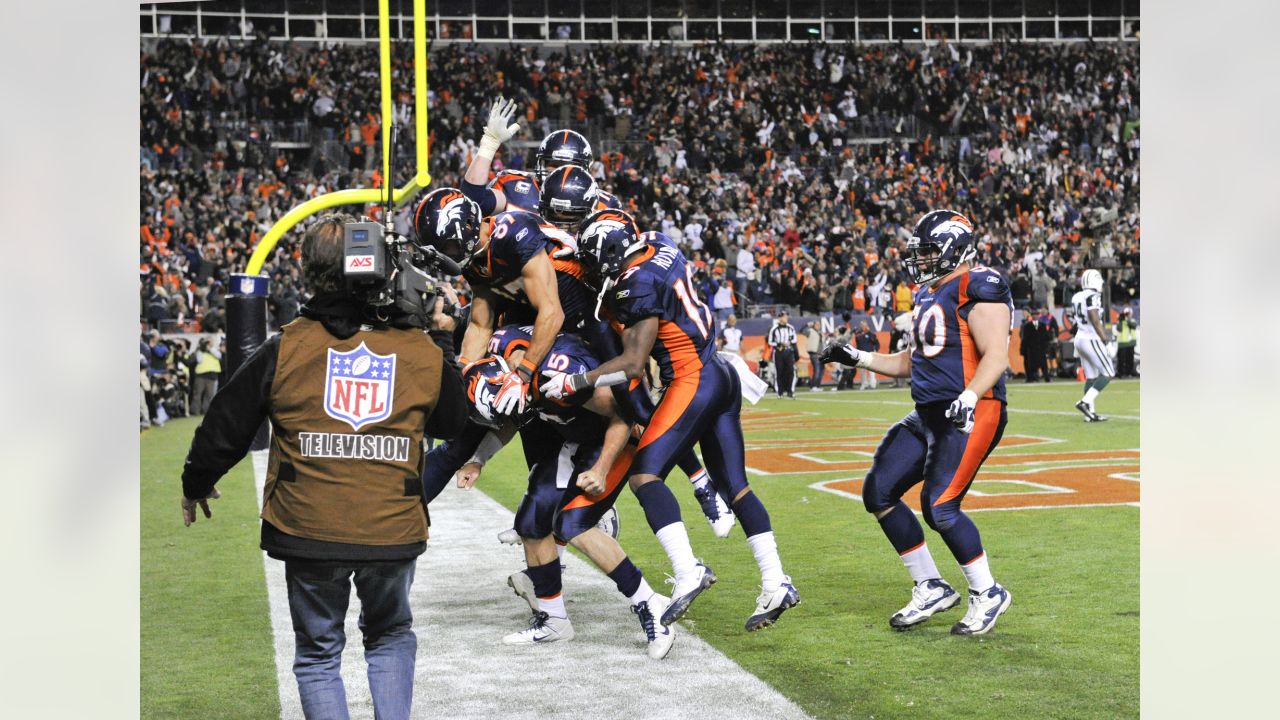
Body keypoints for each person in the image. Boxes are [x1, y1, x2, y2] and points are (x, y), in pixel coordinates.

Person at [178, 213, 468, 719]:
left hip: (307, 523)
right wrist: (441, 337)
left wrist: (196, 482)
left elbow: (225, 422)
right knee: (390, 636)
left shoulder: (287, 344)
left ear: (312, 271)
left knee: (317, 655)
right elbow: (453, 421)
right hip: (390, 525)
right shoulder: (417, 349)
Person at [543, 209, 801, 632]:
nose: (590, 266)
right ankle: (775, 580)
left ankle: (688, 572)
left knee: (644, 477)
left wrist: (578, 379)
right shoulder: (659, 245)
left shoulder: (636, 283)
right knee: (736, 488)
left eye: (593, 257)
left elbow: (631, 363)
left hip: (692, 377)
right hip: (719, 371)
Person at [822, 209, 1014, 636]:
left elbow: (996, 356)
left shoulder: (977, 284)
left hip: (972, 408)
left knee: (940, 506)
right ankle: (930, 585)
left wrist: (969, 395)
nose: (921, 260)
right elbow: (914, 362)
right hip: (928, 410)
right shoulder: (930, 294)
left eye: (929, 251)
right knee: (879, 490)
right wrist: (858, 358)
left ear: (954, 249)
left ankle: (988, 592)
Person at [1070, 269, 1115, 421]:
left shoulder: (1077, 296)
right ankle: (1084, 402)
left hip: (1080, 338)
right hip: (1091, 338)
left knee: (1091, 377)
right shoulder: (1093, 296)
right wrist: (1105, 340)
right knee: (1108, 373)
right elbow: (1094, 319)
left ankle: (1090, 414)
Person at [767, 311, 798, 398]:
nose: (786, 318)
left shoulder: (791, 328)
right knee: (779, 372)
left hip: (788, 352)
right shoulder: (774, 329)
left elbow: (794, 339)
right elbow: (770, 342)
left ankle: (790, 391)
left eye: (787, 316)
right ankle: (779, 392)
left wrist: (789, 343)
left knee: (791, 371)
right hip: (778, 352)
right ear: (780, 318)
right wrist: (780, 343)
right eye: (784, 317)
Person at [188, 336, 222, 415]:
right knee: (197, 394)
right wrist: (202, 349)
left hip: (212, 376)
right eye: (207, 342)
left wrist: (209, 349)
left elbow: (218, 355)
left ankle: (206, 411)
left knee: (209, 395)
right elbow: (199, 360)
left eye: (210, 342)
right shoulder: (200, 351)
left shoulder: (214, 350)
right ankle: (195, 411)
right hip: (201, 375)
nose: (209, 343)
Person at [855, 320, 880, 390]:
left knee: (871, 370)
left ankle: (872, 384)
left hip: (869, 354)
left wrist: (875, 350)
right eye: (862, 325)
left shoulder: (871, 334)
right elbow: (858, 345)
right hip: (862, 354)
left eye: (864, 325)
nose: (863, 327)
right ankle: (864, 384)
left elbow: (876, 343)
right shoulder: (858, 334)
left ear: (867, 326)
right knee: (862, 371)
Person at [1115, 306, 1138, 377]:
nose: (1127, 315)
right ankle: (1121, 373)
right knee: (1121, 359)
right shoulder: (1121, 321)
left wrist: (1127, 319)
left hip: (1130, 343)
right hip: (1122, 343)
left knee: (1130, 359)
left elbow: (1134, 325)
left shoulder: (1132, 320)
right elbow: (1119, 329)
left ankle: (1129, 372)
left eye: (1128, 313)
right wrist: (1121, 320)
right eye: (1126, 314)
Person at [1019, 309, 1041, 382]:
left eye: (1025, 312)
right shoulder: (1023, 322)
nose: (1024, 313)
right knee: (1026, 361)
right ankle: (1029, 377)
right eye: (1023, 312)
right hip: (1025, 344)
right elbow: (1021, 334)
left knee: (1033, 361)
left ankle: (1034, 376)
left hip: (1031, 344)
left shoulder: (1030, 322)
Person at [802, 321, 825, 391]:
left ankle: (816, 386)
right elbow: (802, 331)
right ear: (813, 325)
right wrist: (807, 324)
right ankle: (813, 386)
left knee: (821, 370)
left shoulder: (820, 333)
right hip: (814, 353)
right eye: (817, 324)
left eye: (819, 325)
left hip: (821, 354)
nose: (818, 326)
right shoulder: (810, 331)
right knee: (817, 370)